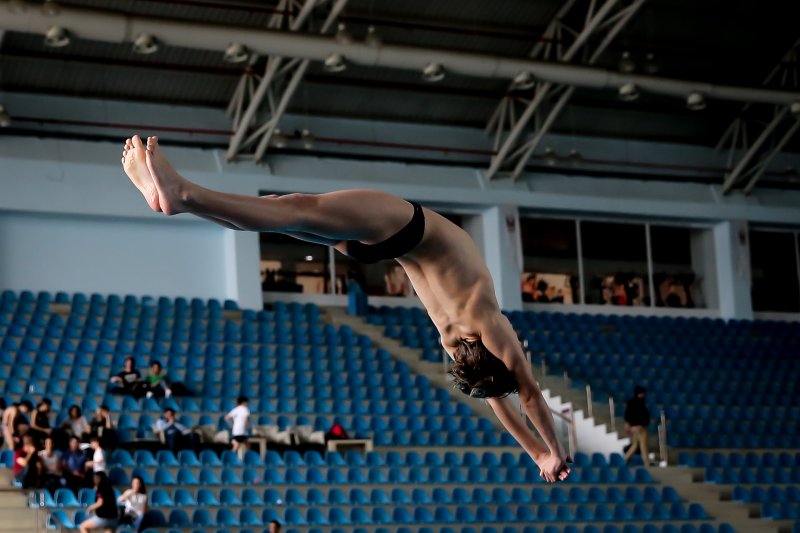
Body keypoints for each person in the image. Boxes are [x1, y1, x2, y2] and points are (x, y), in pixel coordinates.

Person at [121, 134, 571, 482]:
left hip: (406, 230)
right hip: (380, 249)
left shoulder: (485, 323)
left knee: (294, 208)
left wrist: (555, 450)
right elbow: (498, 399)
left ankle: (183, 195)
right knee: (282, 212)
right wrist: (539, 455)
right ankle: (180, 201)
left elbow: (527, 394)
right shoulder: (454, 343)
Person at [624, 385, 651, 466]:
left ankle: (624, 460)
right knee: (643, 445)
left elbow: (627, 415)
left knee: (635, 445)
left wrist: (628, 424)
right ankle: (647, 462)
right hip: (640, 427)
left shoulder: (630, 402)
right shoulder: (641, 402)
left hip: (633, 427)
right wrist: (645, 423)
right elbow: (644, 415)